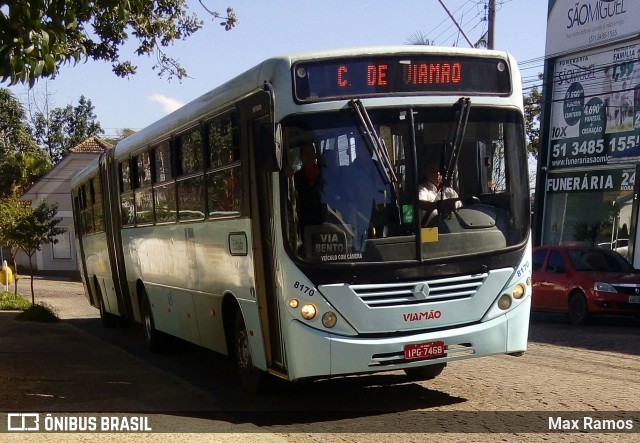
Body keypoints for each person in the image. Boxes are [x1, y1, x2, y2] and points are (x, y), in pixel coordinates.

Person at [294, 143, 323, 233]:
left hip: (324, 224)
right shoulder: (295, 178)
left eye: (311, 153)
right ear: (301, 156)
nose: (308, 156)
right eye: (305, 153)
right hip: (304, 226)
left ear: (315, 155)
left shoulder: (325, 175)